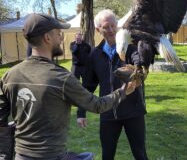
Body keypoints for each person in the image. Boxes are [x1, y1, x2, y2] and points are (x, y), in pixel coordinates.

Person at [0, 13, 137, 160]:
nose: (61, 38)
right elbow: (97, 105)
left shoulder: (9, 76)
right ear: (47, 38)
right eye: (59, 34)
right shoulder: (61, 78)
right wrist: (123, 91)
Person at [77, 10, 148, 160]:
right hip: (108, 113)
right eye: (106, 27)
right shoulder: (94, 55)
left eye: (113, 25)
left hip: (133, 112)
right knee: (107, 155)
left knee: (140, 154)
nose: (111, 30)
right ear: (98, 30)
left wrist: (139, 66)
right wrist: (81, 113)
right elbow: (88, 86)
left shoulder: (129, 47)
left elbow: (138, 59)